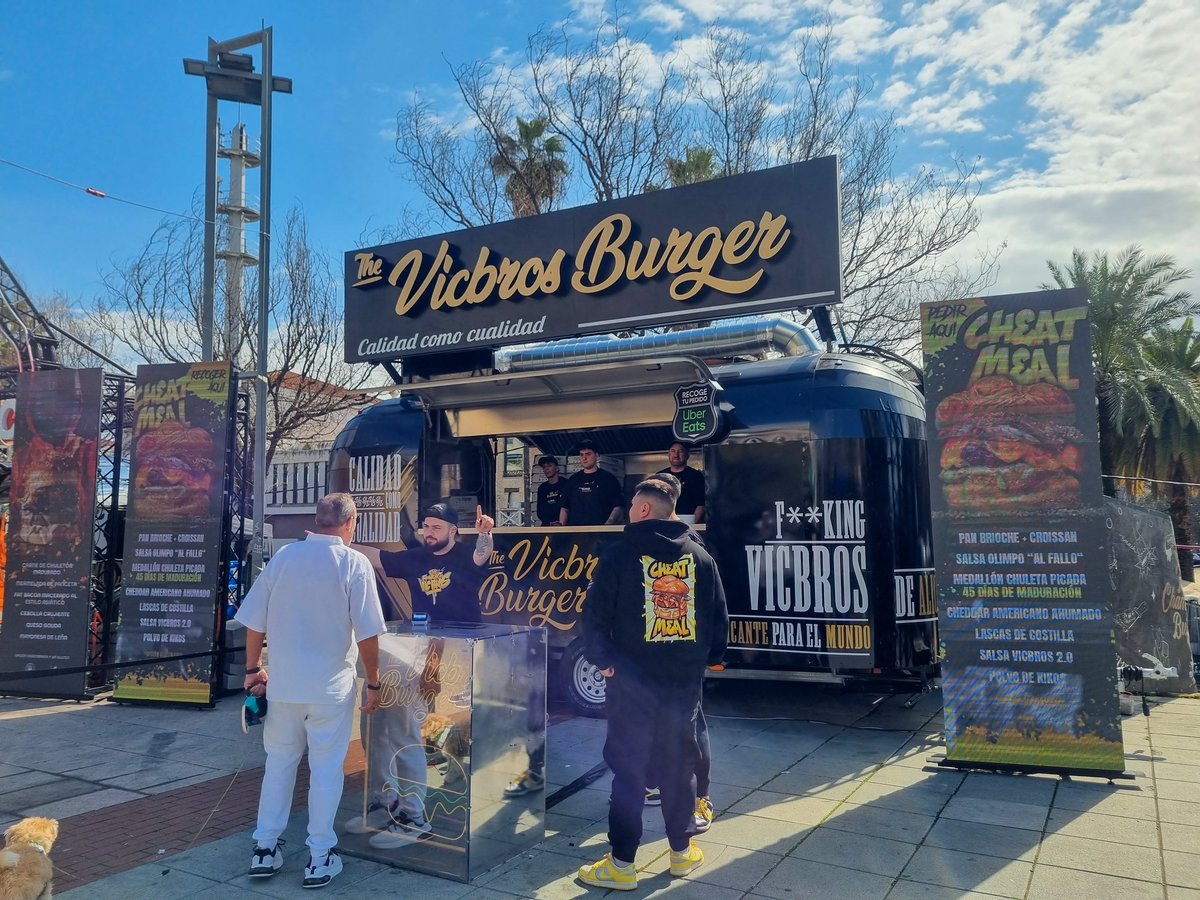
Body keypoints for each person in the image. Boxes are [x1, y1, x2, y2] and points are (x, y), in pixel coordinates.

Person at [577, 479, 728, 890]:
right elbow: (717, 614)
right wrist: (711, 658)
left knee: (628, 770)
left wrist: (602, 661)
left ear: (643, 510)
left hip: (630, 682)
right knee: (679, 764)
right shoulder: (700, 556)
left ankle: (622, 864)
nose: (628, 508)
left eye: (631, 503)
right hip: (682, 683)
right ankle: (681, 853)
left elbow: (594, 615)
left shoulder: (619, 555)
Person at [236, 493, 386, 890]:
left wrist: (253, 670)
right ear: (351, 523)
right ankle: (320, 856)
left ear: (316, 521)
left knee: (278, 765)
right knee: (325, 771)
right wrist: (373, 681)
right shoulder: (354, 563)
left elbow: (254, 621)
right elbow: (369, 633)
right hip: (330, 688)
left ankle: (265, 848)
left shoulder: (284, 558)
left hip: (284, 686)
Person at [349, 502, 494, 847]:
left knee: (410, 733)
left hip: (456, 653)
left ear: (453, 531)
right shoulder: (415, 558)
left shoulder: (464, 556)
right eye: (425, 526)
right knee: (379, 729)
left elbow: (482, 555)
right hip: (413, 651)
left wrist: (486, 533)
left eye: (436, 528)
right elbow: (377, 557)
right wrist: (333, 541)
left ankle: (414, 815)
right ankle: (385, 804)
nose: (428, 533)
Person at [559, 441, 623, 526]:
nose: (584, 458)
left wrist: (608, 524)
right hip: (576, 534)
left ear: (597, 456)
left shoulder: (608, 478)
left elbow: (618, 506)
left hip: (601, 534)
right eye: (581, 455)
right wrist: (561, 529)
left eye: (588, 454)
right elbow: (564, 508)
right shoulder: (573, 480)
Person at [658, 442, 705, 523]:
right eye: (673, 451)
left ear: (687, 455)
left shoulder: (696, 476)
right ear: (668, 454)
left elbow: (701, 505)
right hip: (665, 522)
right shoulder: (660, 476)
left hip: (688, 522)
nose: (676, 455)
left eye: (680, 451)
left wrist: (691, 526)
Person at [535, 455, 566, 526]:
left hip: (564, 526)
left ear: (557, 468)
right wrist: (549, 522)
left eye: (549, 465)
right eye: (544, 467)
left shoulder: (567, 484)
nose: (546, 469)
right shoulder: (542, 488)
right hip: (547, 526)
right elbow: (540, 512)